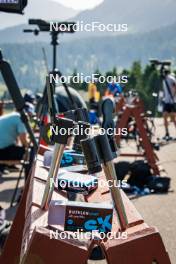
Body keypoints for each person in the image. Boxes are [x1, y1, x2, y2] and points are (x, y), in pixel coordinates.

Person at [0, 111, 28, 175]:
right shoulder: (21, 118)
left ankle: (6, 165)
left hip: (3, 147)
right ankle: (4, 163)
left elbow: (17, 139)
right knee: (26, 151)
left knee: (14, 145)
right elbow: (23, 139)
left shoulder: (11, 116)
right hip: (2, 149)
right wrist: (28, 147)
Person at [162, 70, 176, 140]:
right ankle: (167, 133)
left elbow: (174, 87)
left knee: (173, 118)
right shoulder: (165, 79)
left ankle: (167, 133)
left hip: (171, 101)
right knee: (165, 116)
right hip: (167, 101)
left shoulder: (171, 78)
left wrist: (172, 97)